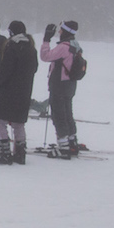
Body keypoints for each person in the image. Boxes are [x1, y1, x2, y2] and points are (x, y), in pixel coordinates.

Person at [0, 20, 38, 165]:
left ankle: (5, 153)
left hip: (9, 90)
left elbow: (7, 70)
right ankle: (20, 154)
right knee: (18, 122)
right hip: (24, 91)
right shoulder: (31, 48)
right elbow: (34, 69)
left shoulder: (12, 47)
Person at [40, 20, 83, 158]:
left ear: (65, 31)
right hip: (70, 84)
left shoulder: (63, 47)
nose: (59, 32)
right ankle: (72, 142)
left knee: (58, 114)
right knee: (67, 113)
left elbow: (45, 56)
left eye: (60, 30)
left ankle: (63, 146)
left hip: (59, 84)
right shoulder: (76, 46)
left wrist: (46, 39)